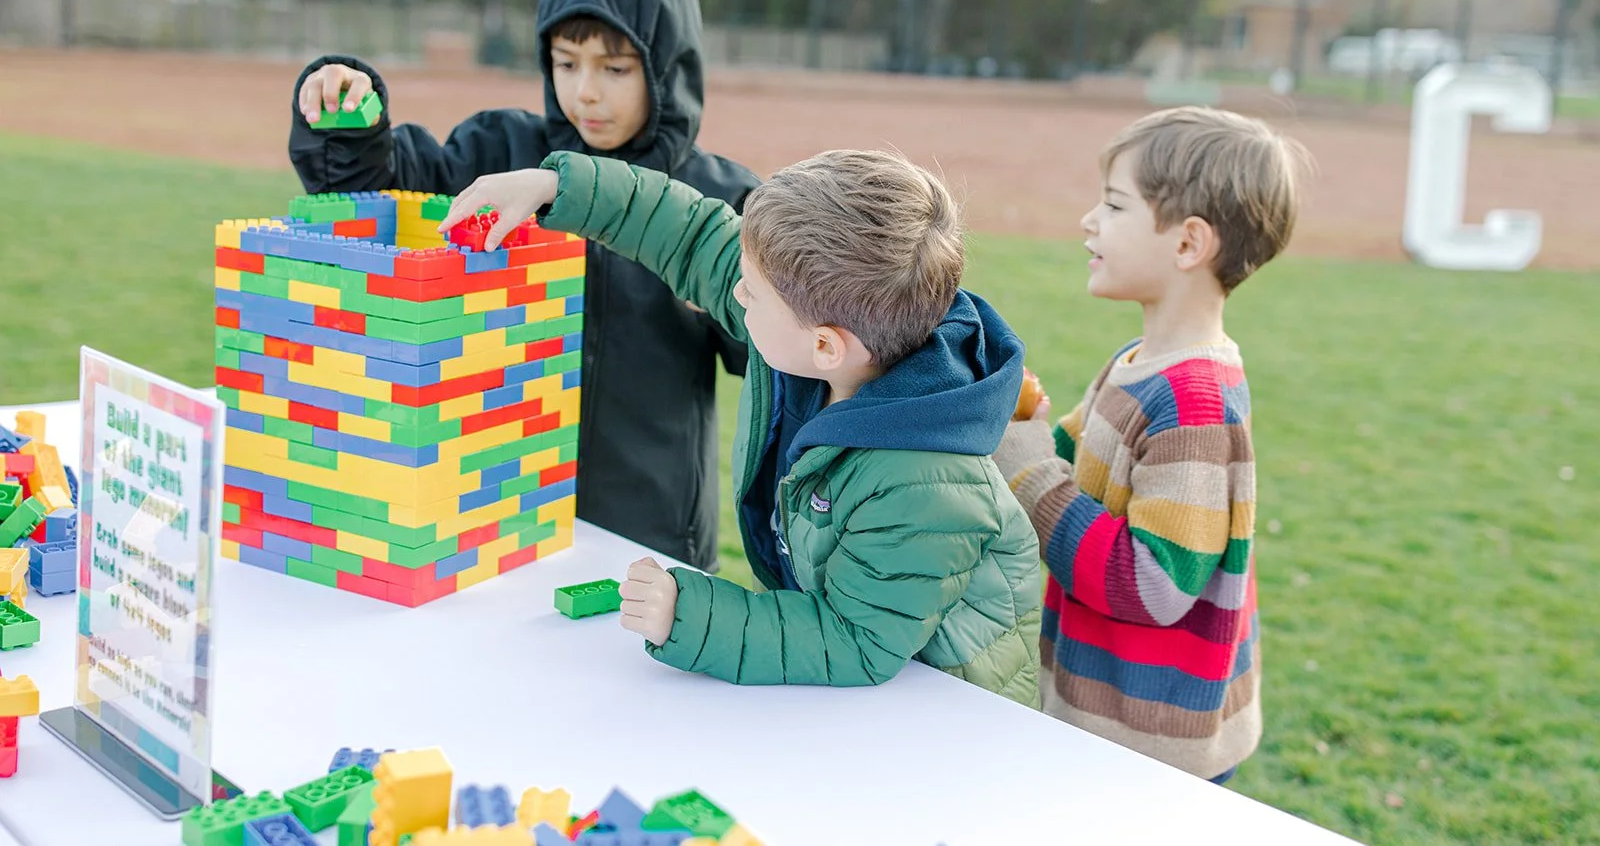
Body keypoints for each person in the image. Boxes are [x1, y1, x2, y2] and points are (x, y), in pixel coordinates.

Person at [437, 148, 1042, 703]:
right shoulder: (813, 329)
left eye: (749, 293)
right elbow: (695, 235)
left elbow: (856, 640)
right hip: (863, 702)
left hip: (949, 722)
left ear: (828, 346)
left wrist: (694, 616)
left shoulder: (923, 483)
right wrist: (552, 186)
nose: (732, 294)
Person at [287, 0, 759, 571]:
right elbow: (393, 189)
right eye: (566, 64)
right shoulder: (499, 154)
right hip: (492, 514)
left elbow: (775, 351)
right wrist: (347, 125)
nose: (586, 92)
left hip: (650, 535)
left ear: (668, 68)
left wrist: (718, 284)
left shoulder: (717, 200)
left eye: (615, 69)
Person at [991, 106, 1311, 781]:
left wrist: (1030, 473)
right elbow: (1061, 458)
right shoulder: (1139, 361)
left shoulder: (1192, 405)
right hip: (1104, 719)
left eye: (1113, 204)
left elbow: (1152, 583)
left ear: (1189, 244)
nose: (1088, 221)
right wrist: (1007, 427)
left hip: (1150, 746)